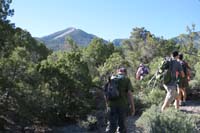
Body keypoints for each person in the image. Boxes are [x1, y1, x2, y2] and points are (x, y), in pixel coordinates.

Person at [105, 67, 135, 133]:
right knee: (122, 126)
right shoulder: (126, 79)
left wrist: (107, 105)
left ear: (118, 71)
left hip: (111, 105)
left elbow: (106, 93)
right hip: (122, 105)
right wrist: (132, 107)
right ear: (125, 73)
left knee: (111, 125)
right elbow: (130, 94)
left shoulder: (111, 79)